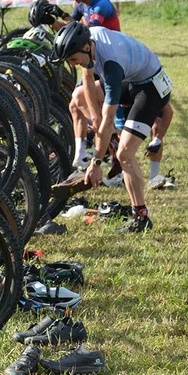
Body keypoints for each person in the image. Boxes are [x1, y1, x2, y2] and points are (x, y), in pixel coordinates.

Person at [53, 22, 172, 232]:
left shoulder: (111, 66)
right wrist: (95, 119)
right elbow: (87, 77)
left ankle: (141, 217)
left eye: (72, 59)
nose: (71, 64)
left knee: (125, 154)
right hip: (133, 78)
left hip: (151, 88)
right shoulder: (90, 38)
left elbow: (109, 120)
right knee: (78, 96)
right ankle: (112, 141)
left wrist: (96, 163)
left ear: (86, 48)